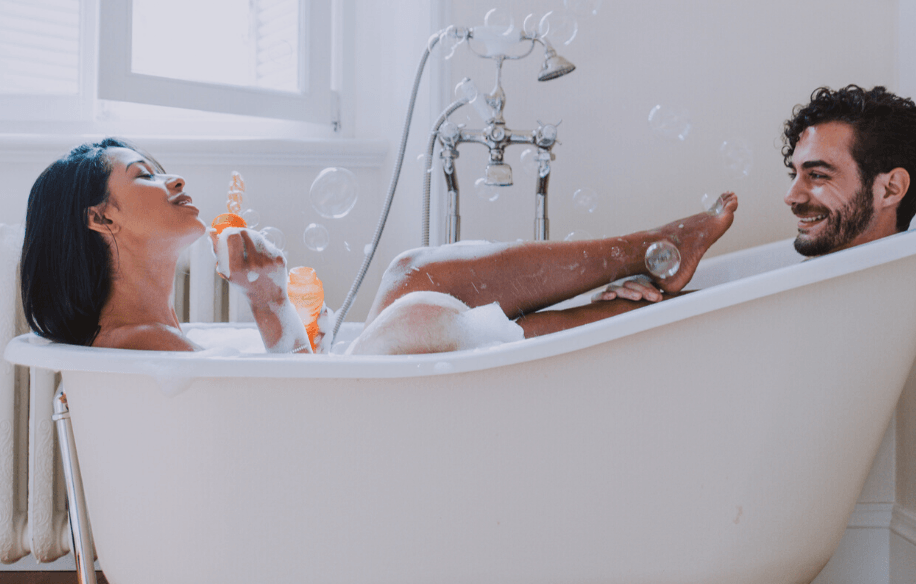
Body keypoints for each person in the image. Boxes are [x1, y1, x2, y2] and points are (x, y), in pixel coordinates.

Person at [19, 138, 738, 353]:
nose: (169, 175)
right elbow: (285, 414)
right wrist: (267, 297)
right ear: (99, 220)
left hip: (332, 439)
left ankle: (644, 274)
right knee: (408, 304)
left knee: (407, 287)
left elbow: (280, 385)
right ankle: (647, 267)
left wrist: (262, 294)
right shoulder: (136, 344)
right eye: (142, 174)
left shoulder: (151, 333)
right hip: (325, 461)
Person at [596, 84, 916, 301]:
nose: (791, 196)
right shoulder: (818, 294)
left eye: (817, 175)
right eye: (795, 174)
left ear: (890, 188)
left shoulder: (875, 299)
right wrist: (657, 301)